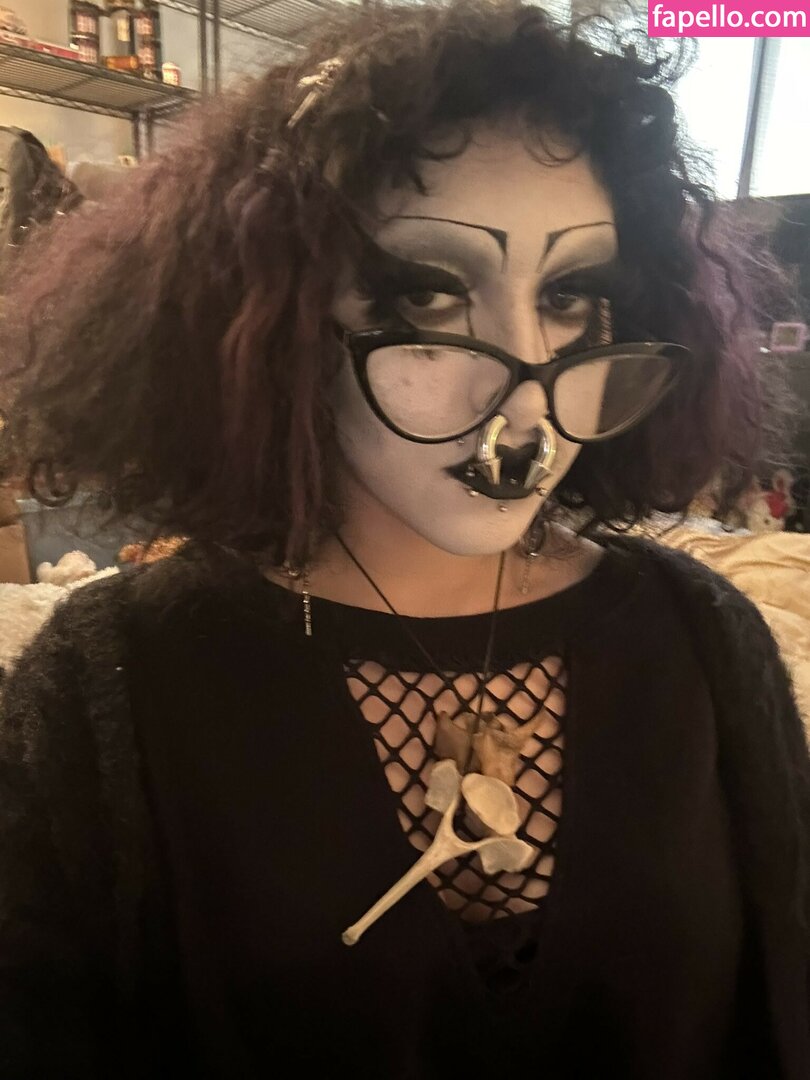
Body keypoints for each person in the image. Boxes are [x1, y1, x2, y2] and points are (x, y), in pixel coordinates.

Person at [0, 2, 808, 1077]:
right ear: (272, 319)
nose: (526, 393)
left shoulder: (700, 640)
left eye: (572, 294)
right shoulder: (113, 682)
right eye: (430, 290)